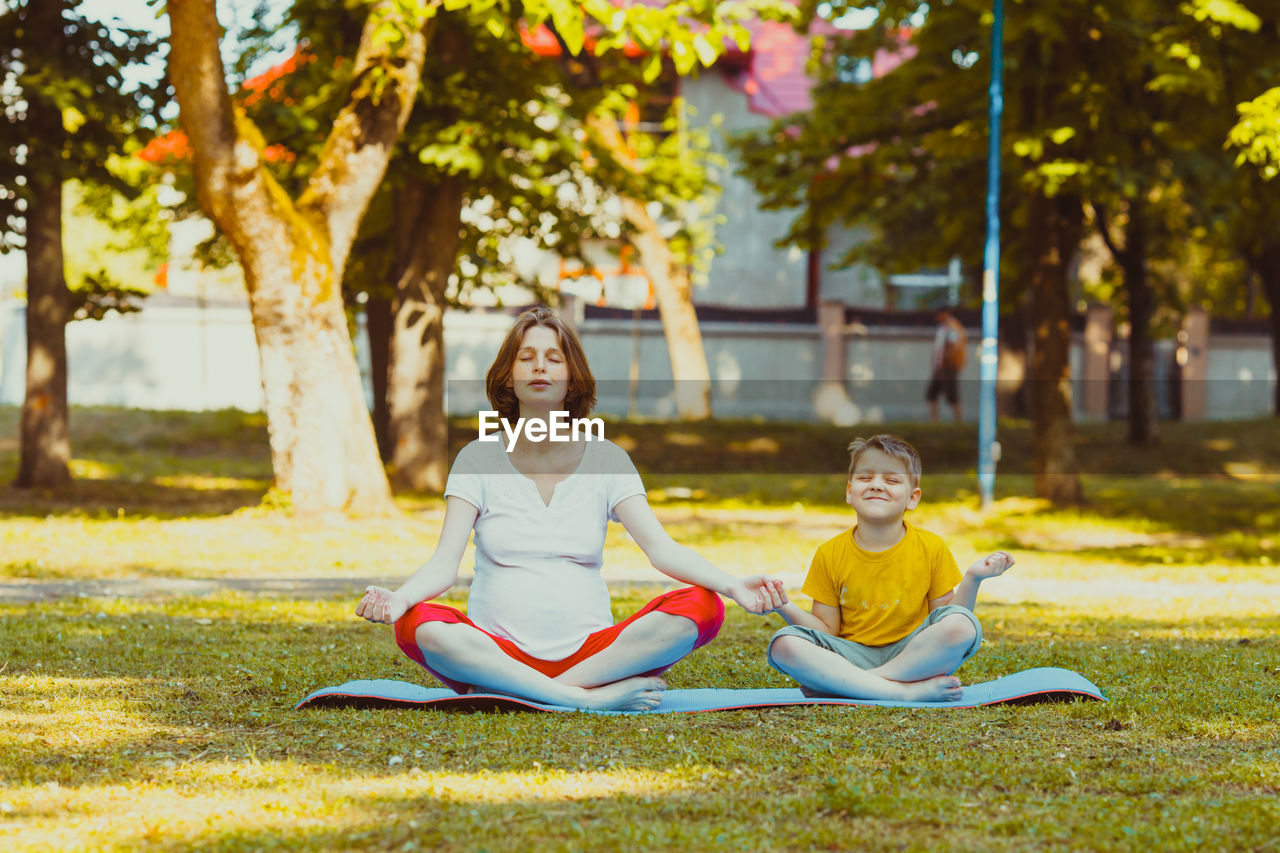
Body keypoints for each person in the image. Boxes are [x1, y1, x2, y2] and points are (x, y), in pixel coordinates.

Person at [356, 306, 782, 712]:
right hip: (497, 652)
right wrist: (401, 597)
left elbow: (662, 550)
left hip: (593, 654)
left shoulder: (607, 460)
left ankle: (533, 692)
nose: (540, 367)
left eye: (553, 358)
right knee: (417, 622)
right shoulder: (477, 459)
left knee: (703, 606)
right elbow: (444, 564)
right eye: (527, 358)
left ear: (572, 378)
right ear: (508, 377)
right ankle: (581, 698)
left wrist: (732, 586)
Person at [761, 434, 1013, 702]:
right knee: (783, 644)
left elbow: (943, 620)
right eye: (865, 478)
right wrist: (783, 606)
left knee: (963, 625)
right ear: (849, 491)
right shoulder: (829, 553)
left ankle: (857, 684)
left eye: (892, 480)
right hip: (849, 656)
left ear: (912, 498)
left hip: (914, 658)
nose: (877, 485)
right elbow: (826, 631)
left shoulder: (932, 547)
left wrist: (973, 578)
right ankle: (900, 691)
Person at [926, 308, 966, 422]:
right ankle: (935, 422)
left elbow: (956, 344)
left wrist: (949, 358)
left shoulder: (952, 327)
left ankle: (958, 421)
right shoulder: (943, 328)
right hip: (939, 367)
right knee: (931, 394)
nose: (937, 318)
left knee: (952, 395)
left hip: (948, 367)